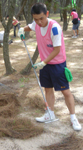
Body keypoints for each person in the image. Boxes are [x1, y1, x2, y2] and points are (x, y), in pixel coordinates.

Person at [18, 3, 81, 131]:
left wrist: (44, 62)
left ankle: (73, 117)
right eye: (35, 19)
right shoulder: (36, 24)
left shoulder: (54, 28)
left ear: (47, 14)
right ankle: (50, 114)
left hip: (57, 64)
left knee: (65, 91)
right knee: (48, 89)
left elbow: (57, 50)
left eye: (41, 18)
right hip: (45, 64)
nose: (39, 22)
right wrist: (21, 29)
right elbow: (31, 27)